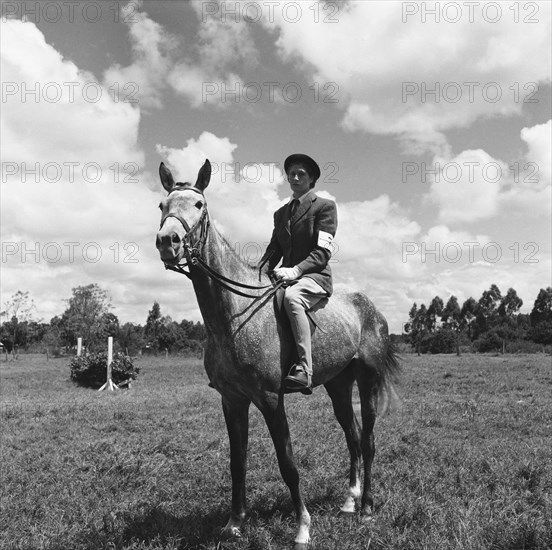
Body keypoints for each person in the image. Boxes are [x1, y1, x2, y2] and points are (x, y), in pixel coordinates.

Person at [259, 154, 338, 394]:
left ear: (311, 179)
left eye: (300, 174)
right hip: (284, 277)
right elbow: (274, 250)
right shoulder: (280, 214)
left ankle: (304, 369)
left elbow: (323, 252)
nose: (294, 177)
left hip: (314, 276)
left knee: (293, 298)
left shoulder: (324, 206)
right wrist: (258, 272)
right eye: (291, 173)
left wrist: (295, 270)